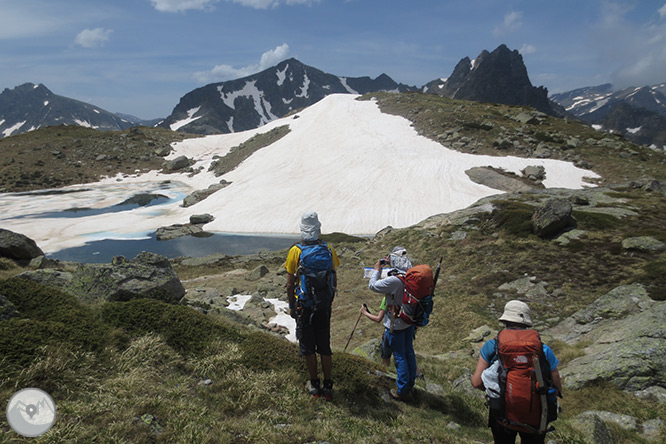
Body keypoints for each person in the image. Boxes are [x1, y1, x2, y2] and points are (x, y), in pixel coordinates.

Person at [471, 300, 563, 444]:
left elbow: (476, 382)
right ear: (526, 323)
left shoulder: (492, 346)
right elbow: (556, 386)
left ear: (505, 320)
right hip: (537, 416)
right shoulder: (542, 349)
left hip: (501, 414)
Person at [285, 211, 340, 400]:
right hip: (324, 305)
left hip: (305, 306)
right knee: (324, 345)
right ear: (318, 229)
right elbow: (333, 277)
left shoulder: (296, 251)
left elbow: (290, 283)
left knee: (308, 346)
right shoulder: (328, 248)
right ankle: (328, 385)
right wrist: (328, 300)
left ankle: (314, 384)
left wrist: (292, 306)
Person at [367, 246, 416, 401]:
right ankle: (410, 384)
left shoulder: (394, 281)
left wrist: (376, 270)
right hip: (409, 321)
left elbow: (373, 285)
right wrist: (390, 265)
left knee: (400, 356)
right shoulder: (410, 273)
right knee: (409, 352)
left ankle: (402, 391)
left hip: (396, 324)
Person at [360, 297, 392, 366]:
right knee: (404, 355)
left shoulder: (387, 298)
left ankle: (387, 372)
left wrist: (364, 312)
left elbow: (378, 319)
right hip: (405, 329)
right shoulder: (405, 294)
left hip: (390, 330)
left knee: (385, 356)